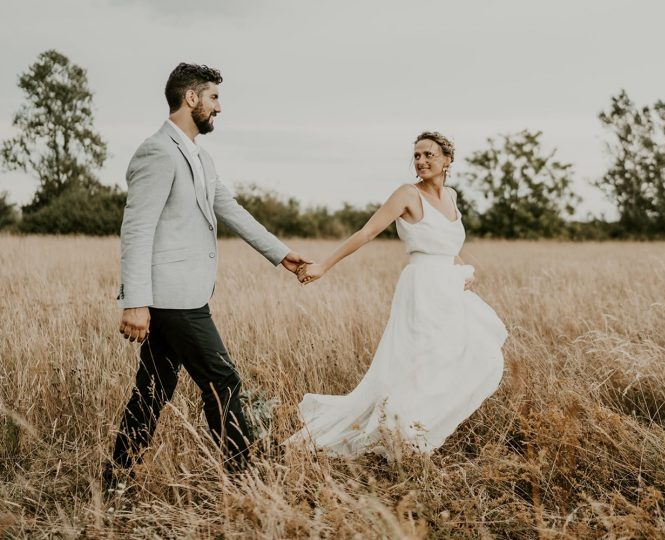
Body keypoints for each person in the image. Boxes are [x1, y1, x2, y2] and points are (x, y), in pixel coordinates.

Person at [106, 63, 311, 489]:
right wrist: (135, 301)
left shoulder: (201, 155)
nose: (220, 106)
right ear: (191, 98)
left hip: (186, 293)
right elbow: (137, 227)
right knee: (222, 380)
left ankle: (116, 478)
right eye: (214, 97)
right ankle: (242, 478)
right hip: (169, 298)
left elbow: (231, 209)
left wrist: (282, 255)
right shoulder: (156, 152)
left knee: (153, 389)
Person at [286, 132, 507, 455]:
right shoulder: (407, 194)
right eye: (416, 155)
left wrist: (460, 267)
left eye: (429, 155)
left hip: (449, 287)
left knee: (470, 355)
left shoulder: (453, 196)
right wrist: (324, 265)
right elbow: (367, 232)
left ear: (447, 160)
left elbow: (445, 242)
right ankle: (401, 437)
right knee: (417, 361)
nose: (421, 161)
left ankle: (418, 432)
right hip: (421, 288)